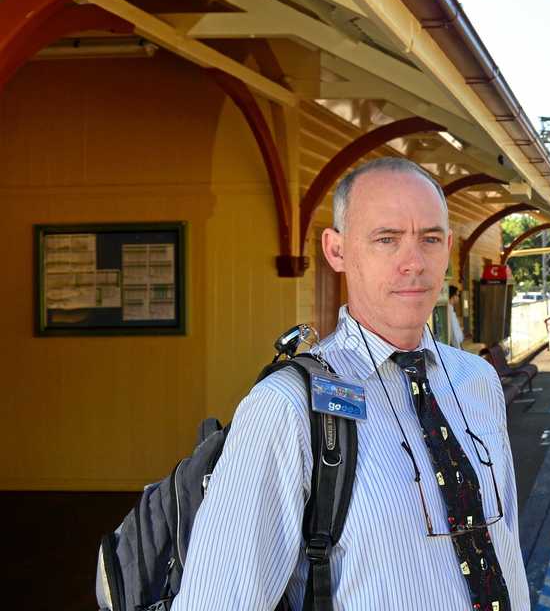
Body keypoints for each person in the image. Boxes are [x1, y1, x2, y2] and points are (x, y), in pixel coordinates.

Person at [174, 157, 529, 610]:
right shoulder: (287, 406)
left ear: (448, 248)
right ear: (336, 250)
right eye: (387, 239)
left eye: (430, 239)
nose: (413, 263)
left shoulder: (475, 379)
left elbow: (507, 544)